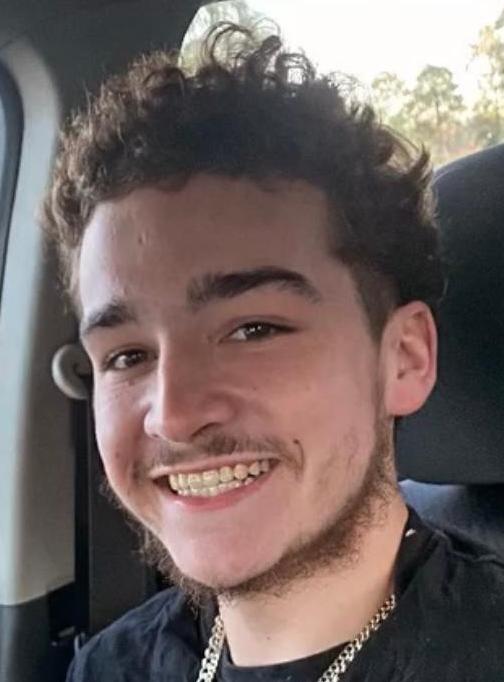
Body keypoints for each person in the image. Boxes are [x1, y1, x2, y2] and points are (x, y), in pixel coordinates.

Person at [43, 23, 504, 682]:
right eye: (127, 356)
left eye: (254, 329)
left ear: (403, 358)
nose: (174, 416)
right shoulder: (108, 667)